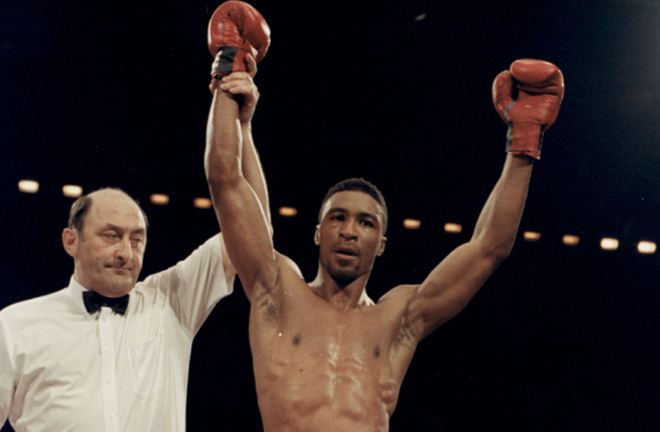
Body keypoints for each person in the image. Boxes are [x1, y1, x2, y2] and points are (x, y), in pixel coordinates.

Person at [205, 3, 565, 431]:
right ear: (318, 233)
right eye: (337, 218)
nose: (350, 231)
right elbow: (226, 179)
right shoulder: (277, 290)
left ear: (382, 244)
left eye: (366, 223)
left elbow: (490, 247)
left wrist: (524, 142)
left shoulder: (400, 317)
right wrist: (229, 76)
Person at [0, 20, 272, 432]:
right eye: (111, 236)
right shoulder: (15, 326)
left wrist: (240, 122)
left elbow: (254, 232)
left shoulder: (171, 302)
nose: (126, 253)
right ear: (70, 241)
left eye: (137, 239)